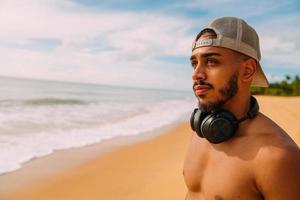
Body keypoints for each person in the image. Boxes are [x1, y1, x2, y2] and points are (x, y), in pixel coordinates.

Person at [183, 16, 300, 200]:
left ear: (247, 71)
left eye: (211, 61)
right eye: (194, 63)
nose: (196, 74)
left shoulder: (278, 157)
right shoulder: (202, 132)